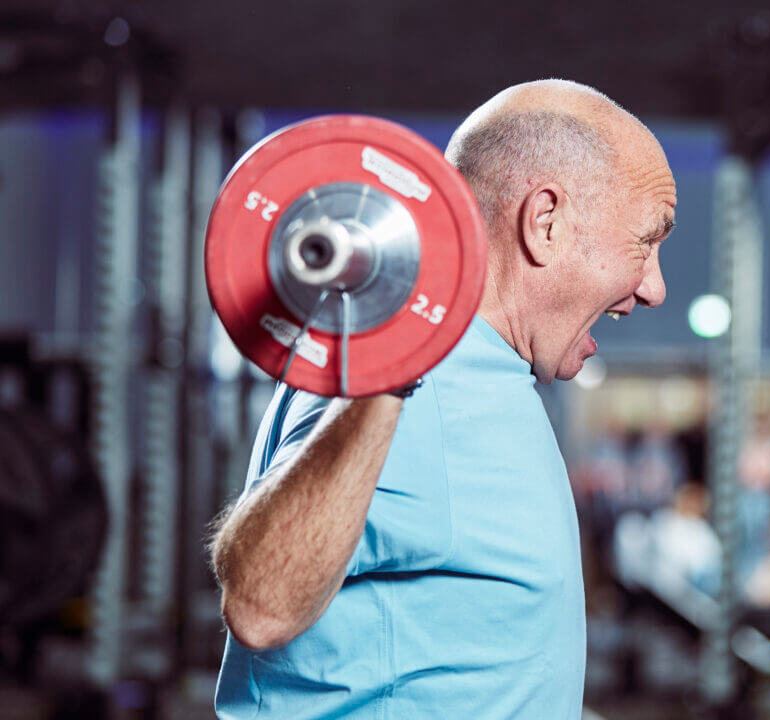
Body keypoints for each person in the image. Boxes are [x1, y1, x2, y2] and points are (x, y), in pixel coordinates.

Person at [208, 80, 676, 719]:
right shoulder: (413, 383)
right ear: (545, 223)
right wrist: (394, 374)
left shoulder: (478, 375)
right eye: (645, 243)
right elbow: (261, 605)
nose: (654, 287)